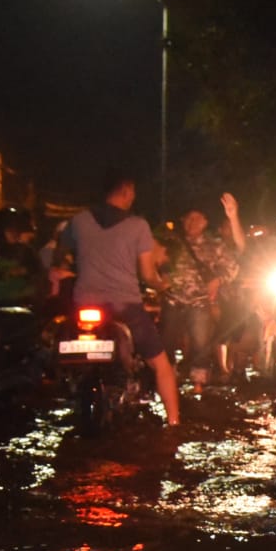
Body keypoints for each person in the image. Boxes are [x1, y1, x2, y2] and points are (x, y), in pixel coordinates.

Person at [61, 172, 181, 427]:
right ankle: (174, 423)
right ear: (126, 191)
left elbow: (61, 254)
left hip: (83, 304)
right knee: (162, 365)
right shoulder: (138, 226)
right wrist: (162, 284)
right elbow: (147, 273)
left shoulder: (79, 220)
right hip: (124, 306)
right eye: (133, 192)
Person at [159, 195, 244, 392]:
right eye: (188, 219)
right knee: (166, 342)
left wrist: (218, 280)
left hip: (199, 301)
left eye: (197, 219)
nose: (192, 223)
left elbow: (233, 266)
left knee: (201, 343)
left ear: (205, 222)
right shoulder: (172, 243)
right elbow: (156, 263)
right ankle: (166, 380)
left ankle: (199, 384)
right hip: (173, 299)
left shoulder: (213, 244)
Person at [0, 207, 45, 306]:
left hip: (21, 305)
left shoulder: (25, 251)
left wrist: (24, 271)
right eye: (11, 230)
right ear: (0, 230)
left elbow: (39, 275)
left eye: (17, 230)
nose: (15, 234)